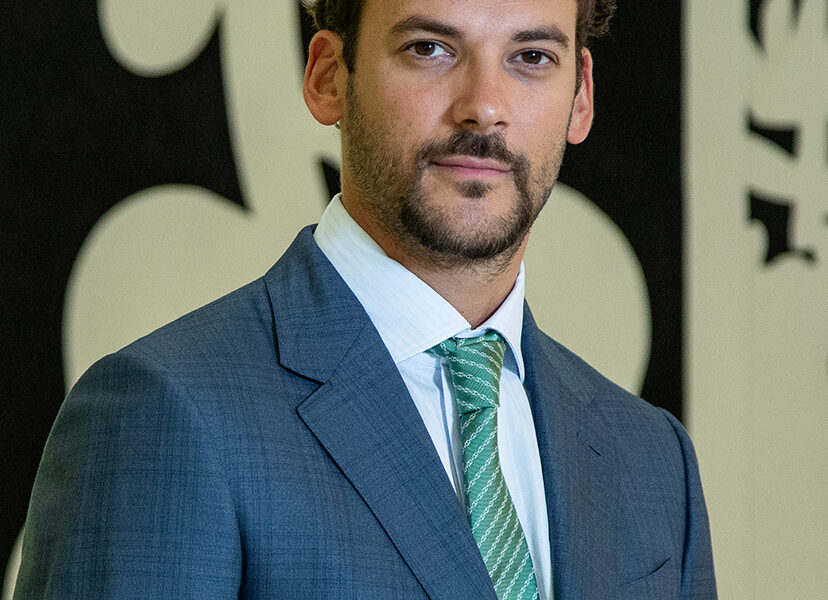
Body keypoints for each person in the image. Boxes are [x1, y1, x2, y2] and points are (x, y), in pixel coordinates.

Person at [14, 0, 717, 598]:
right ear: (327, 77)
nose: (485, 107)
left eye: (531, 57)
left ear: (581, 96)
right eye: (430, 48)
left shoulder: (654, 461)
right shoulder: (165, 412)